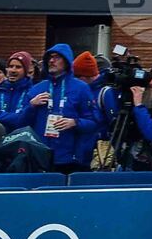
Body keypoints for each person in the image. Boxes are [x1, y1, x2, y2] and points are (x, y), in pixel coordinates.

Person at [23, 43, 97, 174]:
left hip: (70, 159)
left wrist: (75, 122)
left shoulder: (81, 88)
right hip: (40, 157)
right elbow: (22, 123)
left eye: (57, 57)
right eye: (50, 57)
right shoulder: (37, 89)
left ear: (67, 61)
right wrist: (31, 106)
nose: (51, 61)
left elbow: (94, 122)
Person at [0, 51, 33, 131]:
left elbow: (24, 121)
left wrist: (0, 116)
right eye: (11, 66)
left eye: (18, 67)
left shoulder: (32, 93)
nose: (13, 70)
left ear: (25, 70)